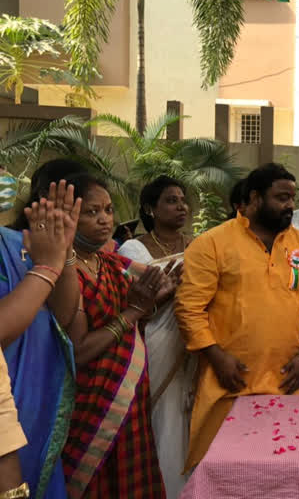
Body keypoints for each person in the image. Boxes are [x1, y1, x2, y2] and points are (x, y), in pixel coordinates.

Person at [175, 163, 299, 471]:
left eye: (291, 198)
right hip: (230, 382)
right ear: (256, 198)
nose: (290, 205)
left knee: (287, 473)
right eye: (281, 197)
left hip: (289, 380)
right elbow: (189, 308)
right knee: (226, 474)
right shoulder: (212, 243)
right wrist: (216, 356)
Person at [61, 174, 173, 498]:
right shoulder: (64, 270)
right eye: (92, 212)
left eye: (108, 210)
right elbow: (79, 351)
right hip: (92, 408)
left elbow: (142, 309)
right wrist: (134, 312)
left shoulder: (111, 263)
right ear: (67, 215)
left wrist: (155, 300)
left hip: (129, 403)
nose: (105, 219)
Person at [2, 179, 82, 499]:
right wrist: (47, 268)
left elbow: (62, 317)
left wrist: (63, 252)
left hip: (30, 423)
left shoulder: (16, 242)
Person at [118, 176, 194, 499]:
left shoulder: (198, 246)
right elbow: (128, 306)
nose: (181, 206)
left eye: (182, 200)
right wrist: (166, 292)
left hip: (194, 347)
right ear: (150, 208)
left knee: (191, 420)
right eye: (171, 200)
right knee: (163, 421)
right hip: (153, 346)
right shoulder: (133, 249)